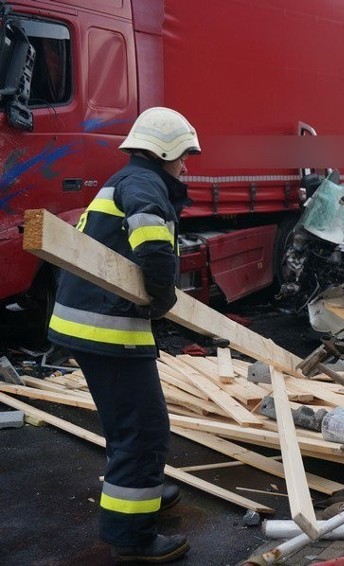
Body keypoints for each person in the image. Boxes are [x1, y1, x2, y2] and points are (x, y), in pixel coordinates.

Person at [47, 107, 200, 563]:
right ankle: (132, 537)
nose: (186, 166)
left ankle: (144, 490)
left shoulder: (126, 179)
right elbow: (153, 248)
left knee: (126, 426)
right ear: (165, 152)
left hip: (90, 323)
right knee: (144, 432)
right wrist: (162, 300)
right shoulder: (144, 185)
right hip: (108, 328)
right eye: (184, 156)